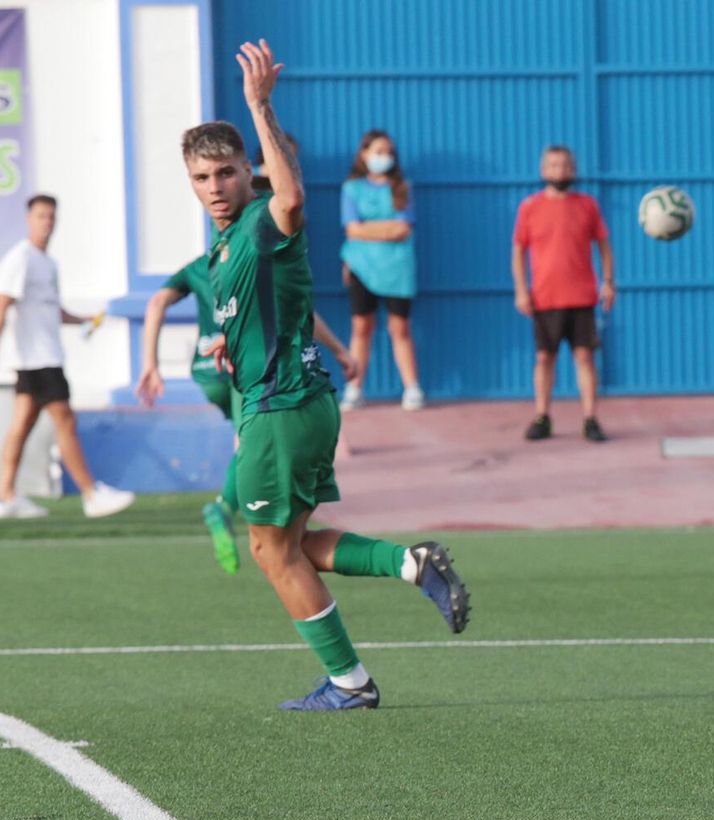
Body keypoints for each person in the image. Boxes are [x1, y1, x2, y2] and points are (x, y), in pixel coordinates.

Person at [181, 39, 470, 710]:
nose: (215, 188)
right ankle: (411, 564)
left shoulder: (262, 221)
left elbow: (291, 194)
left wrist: (259, 105)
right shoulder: (227, 246)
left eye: (225, 172)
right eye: (201, 178)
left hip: (280, 411)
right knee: (294, 543)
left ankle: (350, 682)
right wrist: (234, 345)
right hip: (297, 401)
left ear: (246, 171)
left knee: (271, 553)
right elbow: (279, 312)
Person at [136, 253, 357, 573]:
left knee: (248, 438)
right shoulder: (258, 262)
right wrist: (339, 349)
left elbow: (157, 301)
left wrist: (150, 364)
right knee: (249, 442)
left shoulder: (200, 266)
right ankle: (224, 507)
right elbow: (301, 313)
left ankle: (235, 504)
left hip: (206, 371)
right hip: (240, 364)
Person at [0, 195, 135, 519]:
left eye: (51, 217)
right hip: (37, 359)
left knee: (21, 426)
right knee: (65, 420)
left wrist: (84, 319)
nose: (47, 222)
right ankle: (91, 493)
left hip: (47, 356)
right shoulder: (21, 257)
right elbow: (3, 304)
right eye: (41, 216)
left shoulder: (50, 263)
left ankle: (5, 496)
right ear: (29, 219)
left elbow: (54, 310)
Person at [512, 145, 614, 442]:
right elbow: (518, 250)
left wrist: (607, 281)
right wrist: (521, 289)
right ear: (544, 170)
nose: (560, 171)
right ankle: (542, 417)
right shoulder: (530, 207)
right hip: (545, 297)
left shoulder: (587, 205)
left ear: (574, 169)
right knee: (545, 357)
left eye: (566, 165)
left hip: (581, 296)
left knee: (585, 357)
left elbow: (604, 245)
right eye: (554, 166)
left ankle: (590, 419)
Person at [339, 129, 423, 412]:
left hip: (398, 269)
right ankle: (354, 387)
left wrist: (367, 229)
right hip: (361, 268)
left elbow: (403, 229)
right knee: (361, 327)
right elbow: (351, 229)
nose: (383, 157)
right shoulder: (351, 189)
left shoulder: (402, 188)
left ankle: (412, 387)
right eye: (377, 151)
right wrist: (385, 229)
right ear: (364, 154)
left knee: (400, 328)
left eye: (388, 152)